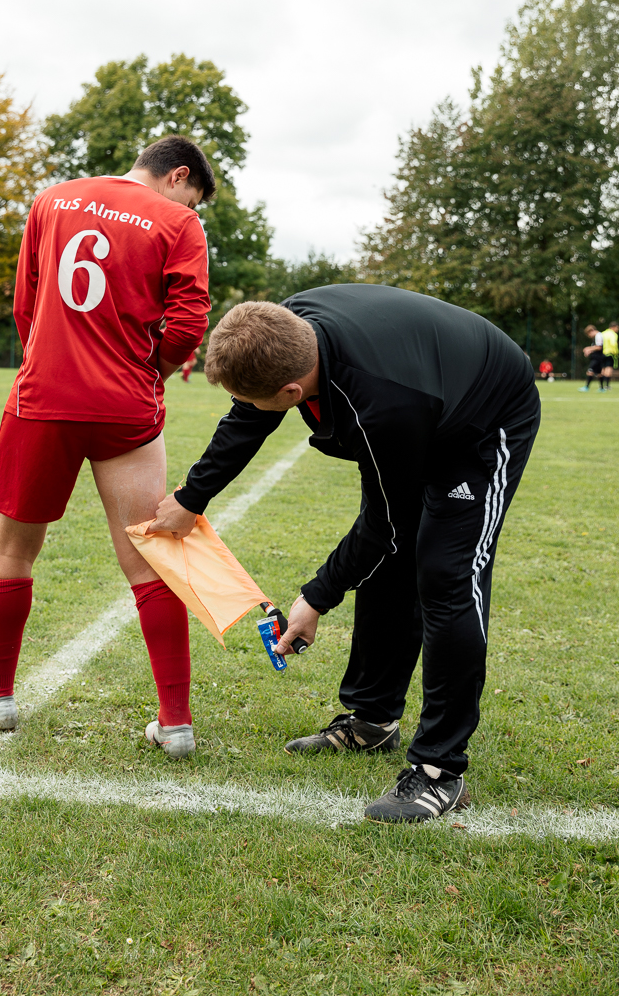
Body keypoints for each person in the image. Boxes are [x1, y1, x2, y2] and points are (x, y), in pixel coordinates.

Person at [148, 287, 540, 822]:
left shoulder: (382, 407)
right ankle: (374, 719)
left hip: (483, 416)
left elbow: (383, 527)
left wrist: (315, 597)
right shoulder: (283, 327)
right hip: (424, 389)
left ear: (291, 391)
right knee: (394, 558)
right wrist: (191, 498)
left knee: (446, 573)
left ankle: (439, 771)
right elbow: (248, 417)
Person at [0, 135, 214, 759]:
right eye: (195, 196)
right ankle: (176, 723)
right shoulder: (178, 221)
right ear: (178, 175)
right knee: (150, 555)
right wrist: (147, 369)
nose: (192, 207)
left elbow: (26, 299)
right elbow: (187, 323)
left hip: (42, 400)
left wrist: (47, 359)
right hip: (125, 407)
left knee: (12, 553)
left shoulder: (51, 199)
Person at [581, 325, 608, 391]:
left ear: (591, 331)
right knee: (599, 373)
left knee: (590, 371)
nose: (589, 336)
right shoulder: (597, 336)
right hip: (598, 357)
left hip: (597, 358)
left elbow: (599, 347)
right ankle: (601, 388)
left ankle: (586, 387)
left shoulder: (598, 336)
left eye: (589, 334)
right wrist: (590, 350)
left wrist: (588, 348)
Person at [601, 321, 618, 389]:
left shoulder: (603, 333)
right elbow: (613, 344)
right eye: (617, 327)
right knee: (609, 369)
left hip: (602, 353)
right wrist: (616, 352)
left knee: (603, 369)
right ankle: (607, 385)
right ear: (613, 327)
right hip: (610, 353)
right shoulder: (613, 334)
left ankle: (601, 384)